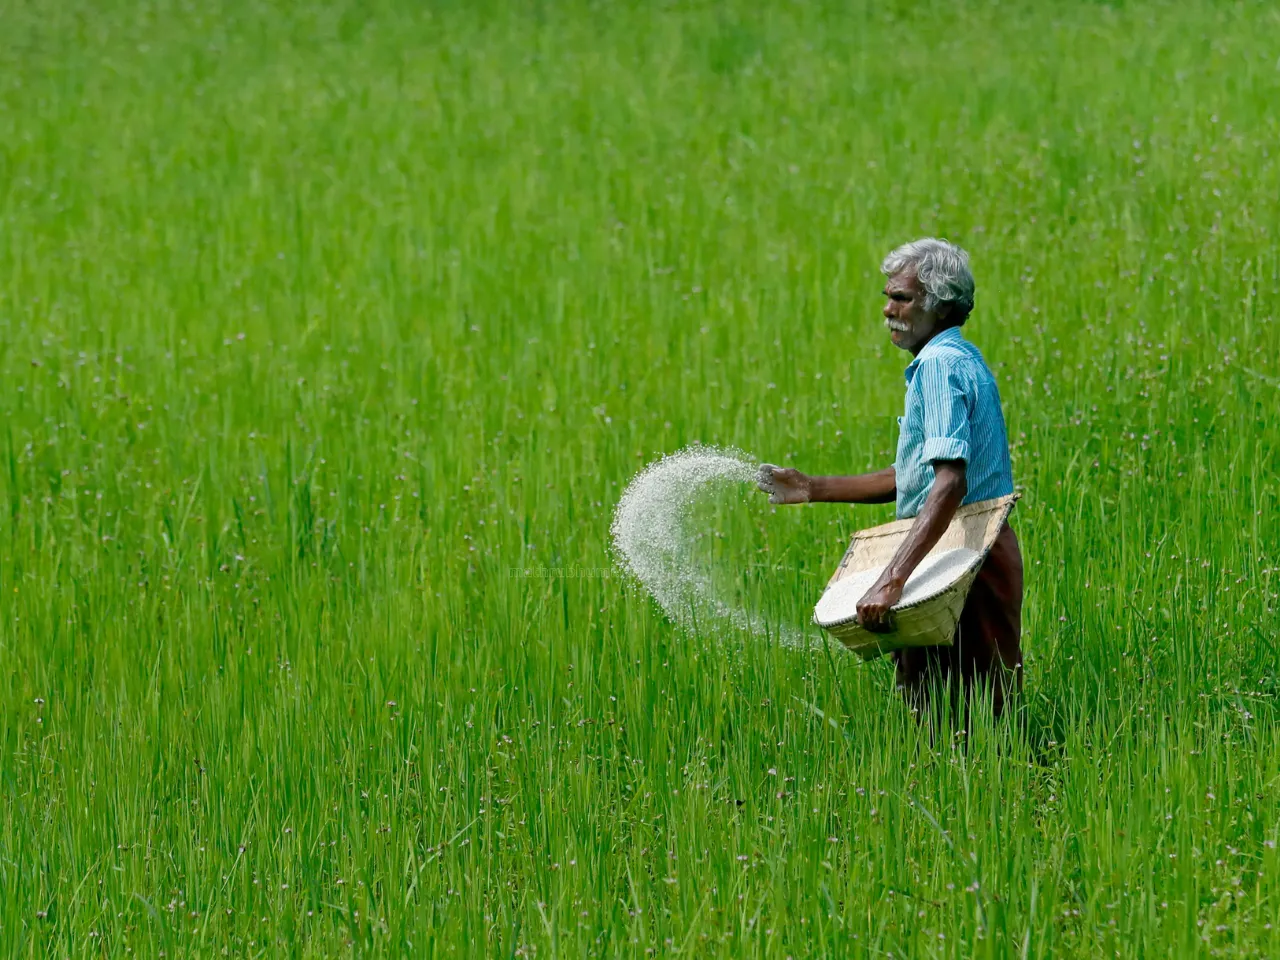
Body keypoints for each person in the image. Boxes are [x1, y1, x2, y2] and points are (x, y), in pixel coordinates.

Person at [756, 238, 1023, 719]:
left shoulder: (940, 367)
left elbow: (948, 483)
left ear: (939, 306)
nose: (888, 309)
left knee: (979, 708)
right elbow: (913, 478)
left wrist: (891, 579)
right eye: (889, 296)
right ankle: (961, 786)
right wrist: (813, 487)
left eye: (902, 298)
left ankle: (1008, 785)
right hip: (948, 545)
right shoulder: (948, 360)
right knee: (932, 701)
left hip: (965, 553)